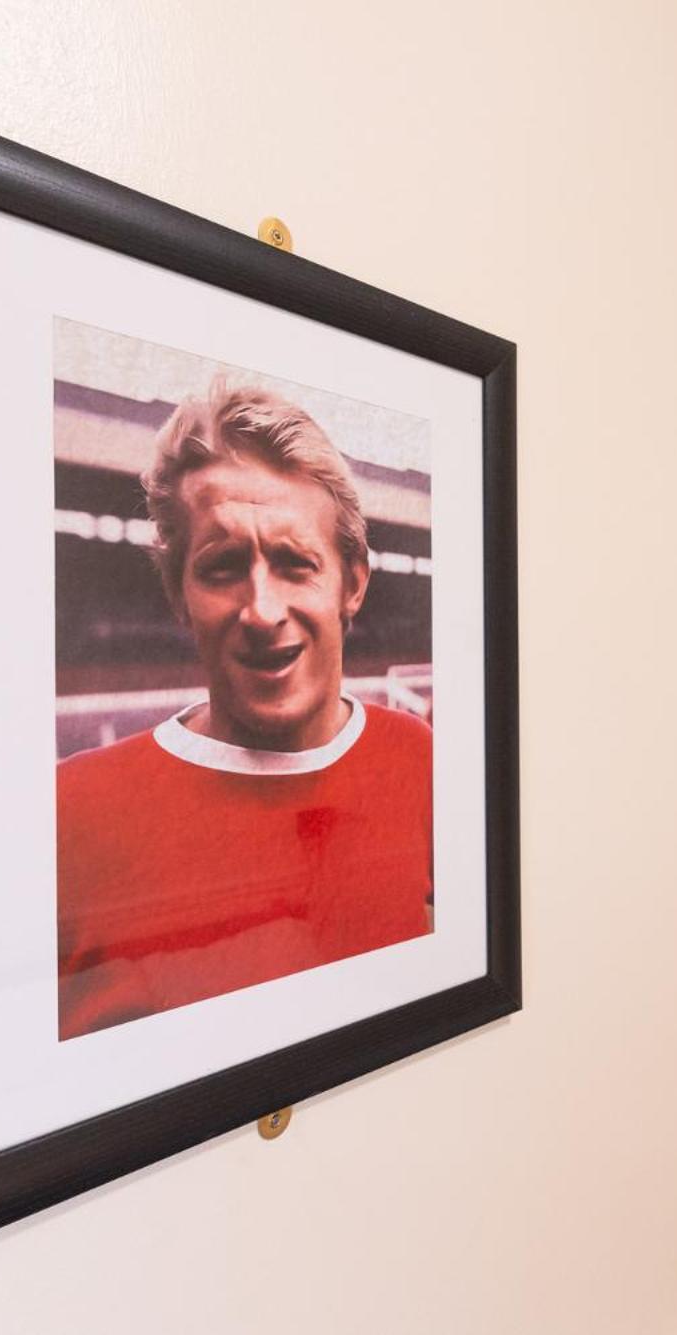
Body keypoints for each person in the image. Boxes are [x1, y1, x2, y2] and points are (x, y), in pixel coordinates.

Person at [56, 381, 433, 1041]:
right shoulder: (69, 812)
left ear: (352, 583)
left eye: (295, 563)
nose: (262, 611)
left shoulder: (419, 757)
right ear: (178, 593)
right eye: (223, 566)